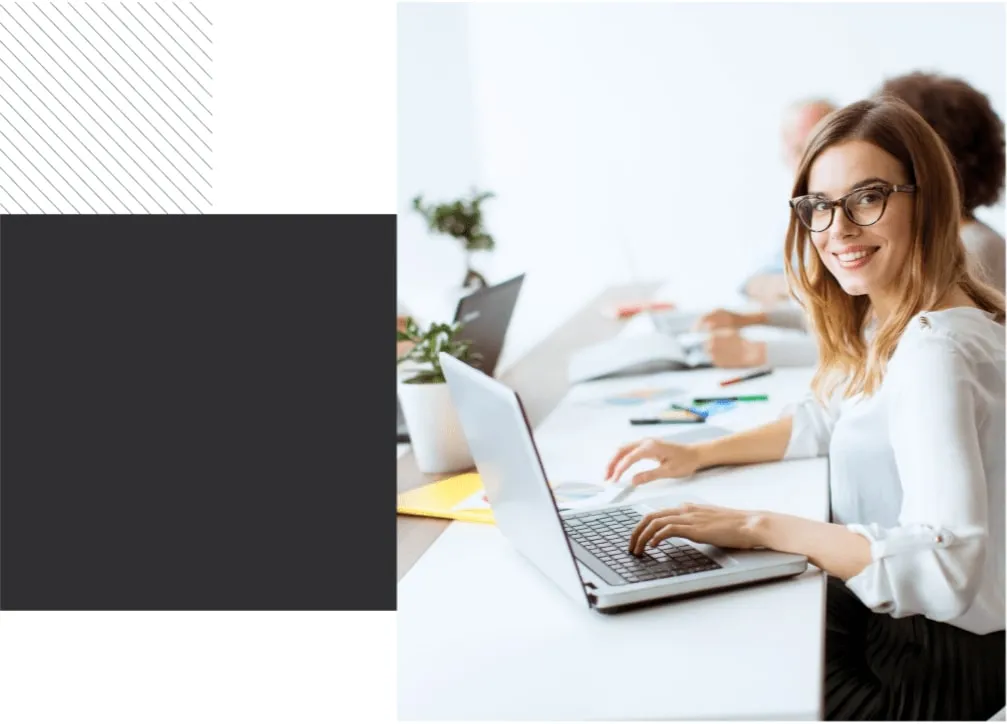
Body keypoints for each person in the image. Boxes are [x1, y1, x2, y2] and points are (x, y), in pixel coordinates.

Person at [605, 97, 1005, 720]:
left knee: (698, 652)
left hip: (924, 668)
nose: (837, 229)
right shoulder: (905, 314)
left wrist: (758, 527)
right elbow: (832, 416)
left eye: (866, 198)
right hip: (911, 629)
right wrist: (698, 453)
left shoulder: (936, 351)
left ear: (926, 199)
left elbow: (946, 562)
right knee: (712, 601)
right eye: (819, 207)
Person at [701, 72, 1007, 369]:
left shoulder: (968, 252)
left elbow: (877, 345)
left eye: (869, 196)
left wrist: (759, 351)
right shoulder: (825, 217)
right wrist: (756, 318)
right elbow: (852, 319)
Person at [738, 98, 838, 308]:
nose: (810, 159)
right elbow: (751, 283)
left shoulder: (857, 209)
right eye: (799, 149)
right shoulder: (792, 213)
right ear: (786, 155)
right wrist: (798, 287)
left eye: (820, 144)